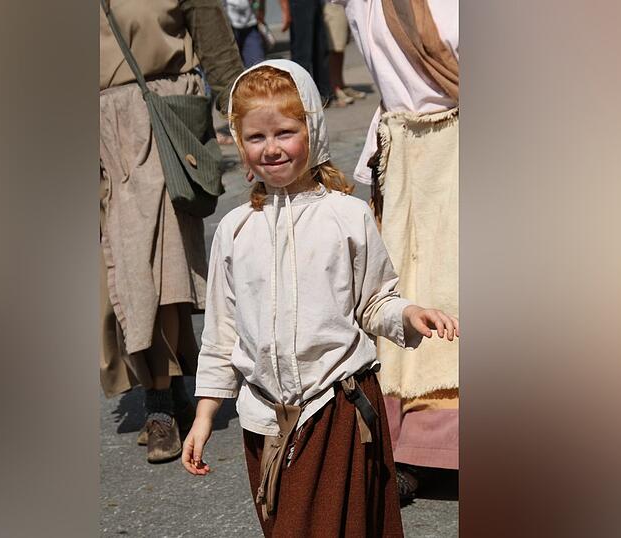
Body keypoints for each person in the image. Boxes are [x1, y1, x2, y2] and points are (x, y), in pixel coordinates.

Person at [180, 60, 459, 536]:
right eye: (255, 138)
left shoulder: (346, 216)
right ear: (239, 143)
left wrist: (410, 314)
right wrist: (205, 414)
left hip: (336, 410)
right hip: (263, 420)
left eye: (285, 132)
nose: (271, 149)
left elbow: (374, 301)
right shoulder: (233, 230)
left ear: (312, 130)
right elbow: (221, 333)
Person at [99, 0, 244, 464]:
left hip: (158, 119)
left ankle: (160, 403)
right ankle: (175, 383)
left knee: (154, 268)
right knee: (119, 274)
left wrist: (248, 115)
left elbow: (216, 46)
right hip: (97, 136)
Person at [334, 0, 460, 501]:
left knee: (442, 285)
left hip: (444, 147)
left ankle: (419, 447)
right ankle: (413, 446)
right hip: (415, 152)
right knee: (412, 291)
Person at [278, 0, 333, 105]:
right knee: (302, 54)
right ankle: (302, 98)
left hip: (315, 3)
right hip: (300, 4)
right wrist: (285, 9)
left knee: (321, 49)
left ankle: (324, 94)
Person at [323, 1, 366, 106]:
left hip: (344, 4)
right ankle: (334, 88)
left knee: (341, 45)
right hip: (331, 4)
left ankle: (340, 84)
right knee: (334, 46)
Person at [223, 0, 266, 67]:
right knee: (228, 68)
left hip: (250, 26)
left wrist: (261, 9)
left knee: (258, 66)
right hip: (226, 27)